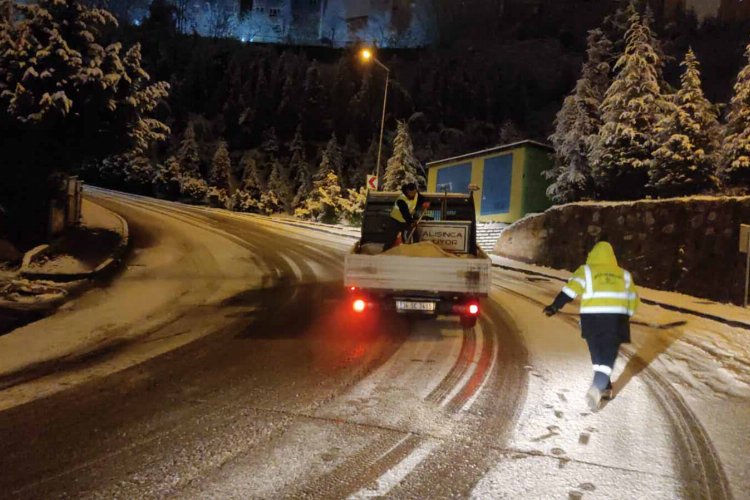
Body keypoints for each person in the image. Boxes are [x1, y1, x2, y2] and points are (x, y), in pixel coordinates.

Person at [543, 240, 639, 411]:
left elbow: (570, 290)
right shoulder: (624, 275)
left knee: (597, 353)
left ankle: (601, 386)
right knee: (608, 356)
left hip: (592, 320)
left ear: (592, 254)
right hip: (616, 321)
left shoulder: (586, 271)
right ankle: (601, 385)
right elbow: (633, 300)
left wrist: (555, 306)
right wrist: (627, 315)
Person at [383, 182, 430, 250]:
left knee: (414, 234)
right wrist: (411, 222)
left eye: (414, 192)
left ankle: (415, 250)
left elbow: (422, 199)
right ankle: (385, 252)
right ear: (407, 191)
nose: (413, 195)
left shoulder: (416, 195)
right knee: (391, 238)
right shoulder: (401, 200)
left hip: (406, 220)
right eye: (411, 193)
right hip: (395, 220)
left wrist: (425, 202)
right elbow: (405, 213)